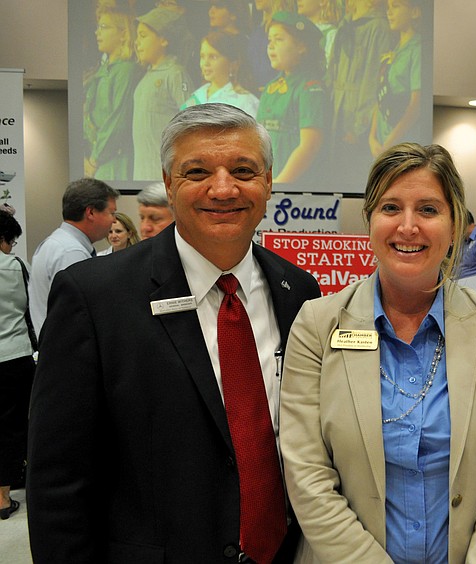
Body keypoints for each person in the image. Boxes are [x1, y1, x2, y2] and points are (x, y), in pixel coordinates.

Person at [27, 103, 321, 562]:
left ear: (268, 182)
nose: (223, 188)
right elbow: (58, 478)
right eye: (197, 170)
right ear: (169, 183)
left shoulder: (298, 291)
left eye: (243, 170)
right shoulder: (95, 297)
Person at [280, 142, 476, 563]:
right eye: (391, 208)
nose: (408, 226)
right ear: (369, 222)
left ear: (455, 226)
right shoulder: (316, 324)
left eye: (429, 210)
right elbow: (306, 474)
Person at [29, 178, 119, 335]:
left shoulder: (56, 244)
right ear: (90, 212)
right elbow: (79, 316)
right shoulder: (71, 253)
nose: (114, 220)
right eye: (111, 213)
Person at [256, 11, 328, 184]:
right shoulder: (271, 87)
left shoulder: (309, 88)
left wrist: (280, 184)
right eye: (270, 40)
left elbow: (310, 145)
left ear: (301, 47)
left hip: (296, 190)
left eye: (279, 39)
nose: (271, 46)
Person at [0, 210, 36, 520]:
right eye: (11, 241)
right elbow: (31, 308)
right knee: (12, 427)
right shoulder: (15, 266)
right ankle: (2, 496)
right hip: (14, 355)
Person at [132, 6, 195, 180]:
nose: (137, 42)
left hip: (164, 176)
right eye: (137, 36)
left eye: (143, 36)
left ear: (164, 40)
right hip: (142, 174)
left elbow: (192, 120)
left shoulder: (175, 73)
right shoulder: (144, 77)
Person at [327, 0, 391, 170]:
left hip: (357, 119)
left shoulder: (378, 27)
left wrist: (358, 126)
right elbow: (333, 68)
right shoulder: (346, 23)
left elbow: (373, 80)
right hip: (337, 114)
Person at [83, 5, 140, 181]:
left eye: (104, 27)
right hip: (95, 155)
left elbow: (118, 121)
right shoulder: (103, 70)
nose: (97, 33)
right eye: (97, 27)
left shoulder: (126, 70)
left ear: (123, 33)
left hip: (112, 159)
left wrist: (94, 160)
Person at [368, 0, 422, 157]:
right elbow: (379, 99)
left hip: (403, 145)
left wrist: (389, 144)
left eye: (396, 7)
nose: (389, 12)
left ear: (414, 12)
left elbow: (416, 105)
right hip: (381, 142)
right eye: (388, 7)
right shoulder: (393, 50)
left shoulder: (418, 49)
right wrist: (372, 137)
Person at [181, 30, 260, 117]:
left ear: (232, 64)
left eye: (213, 57)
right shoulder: (198, 95)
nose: (205, 63)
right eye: (202, 56)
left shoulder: (245, 102)